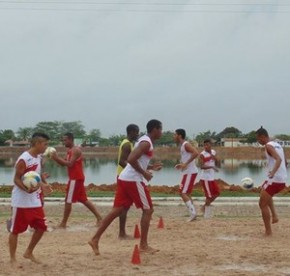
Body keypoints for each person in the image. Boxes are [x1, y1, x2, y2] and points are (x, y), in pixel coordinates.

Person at [88, 119, 163, 255]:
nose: (162, 133)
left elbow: (135, 161)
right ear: (155, 129)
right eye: (161, 129)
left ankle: (95, 239)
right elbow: (130, 159)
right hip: (133, 180)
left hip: (125, 178)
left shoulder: (144, 141)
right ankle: (143, 245)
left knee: (116, 210)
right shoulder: (146, 143)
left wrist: (150, 167)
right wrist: (144, 173)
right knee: (148, 210)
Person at [8, 132, 52, 265]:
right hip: (21, 201)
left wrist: (44, 183)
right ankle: (12, 258)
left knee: (41, 227)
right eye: (45, 144)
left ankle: (28, 252)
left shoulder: (38, 157)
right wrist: (26, 189)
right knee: (15, 230)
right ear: (38, 143)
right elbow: (16, 179)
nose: (46, 147)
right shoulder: (24, 159)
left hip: (35, 200)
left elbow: (36, 175)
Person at [51, 132, 102, 228]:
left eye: (65, 140)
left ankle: (63, 223)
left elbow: (70, 164)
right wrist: (55, 158)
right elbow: (63, 163)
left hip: (75, 178)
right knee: (83, 199)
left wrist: (56, 157)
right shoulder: (70, 150)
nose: (63, 142)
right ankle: (99, 218)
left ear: (70, 139)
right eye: (63, 140)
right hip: (77, 178)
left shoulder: (75, 150)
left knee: (68, 200)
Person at [256, 126, 288, 236]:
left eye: (258, 139)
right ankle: (274, 215)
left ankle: (268, 231)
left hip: (275, 179)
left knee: (262, 203)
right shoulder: (277, 145)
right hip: (280, 178)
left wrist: (273, 172)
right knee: (264, 193)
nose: (258, 141)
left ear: (263, 137)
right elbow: (285, 161)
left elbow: (278, 159)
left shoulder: (268, 146)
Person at [116, 124, 139, 239]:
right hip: (123, 177)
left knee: (124, 206)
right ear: (131, 132)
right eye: (136, 132)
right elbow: (122, 161)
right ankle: (121, 233)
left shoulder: (128, 143)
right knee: (123, 206)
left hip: (123, 176)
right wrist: (132, 170)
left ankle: (122, 232)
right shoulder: (126, 145)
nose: (137, 134)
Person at [174, 129, 199, 222]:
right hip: (188, 172)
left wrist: (186, 164)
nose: (174, 136)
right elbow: (187, 158)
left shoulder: (185, 144)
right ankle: (193, 214)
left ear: (179, 136)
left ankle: (193, 214)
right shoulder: (182, 145)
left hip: (190, 172)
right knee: (186, 193)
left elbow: (196, 153)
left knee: (182, 193)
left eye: (175, 134)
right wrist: (181, 165)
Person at [199, 138, 220, 219]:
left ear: (211, 145)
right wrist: (211, 166)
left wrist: (216, 160)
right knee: (209, 196)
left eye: (207, 145)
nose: (206, 146)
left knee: (217, 193)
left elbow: (218, 164)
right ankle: (207, 215)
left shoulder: (214, 152)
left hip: (211, 177)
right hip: (205, 178)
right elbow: (201, 166)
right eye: (204, 145)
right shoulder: (202, 154)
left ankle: (204, 207)